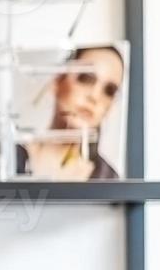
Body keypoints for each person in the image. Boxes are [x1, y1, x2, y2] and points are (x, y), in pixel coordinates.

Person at [16, 45, 125, 180]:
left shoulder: (110, 181)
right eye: (86, 78)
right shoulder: (6, 156)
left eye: (109, 91)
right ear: (58, 81)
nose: (95, 96)